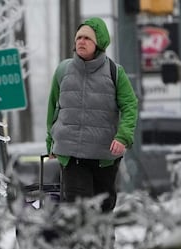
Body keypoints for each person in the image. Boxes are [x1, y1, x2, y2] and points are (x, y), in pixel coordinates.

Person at [46, 17, 138, 213]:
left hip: (104, 156)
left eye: (87, 38)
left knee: (102, 213)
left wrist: (123, 136)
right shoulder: (63, 70)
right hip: (71, 155)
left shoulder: (115, 73)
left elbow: (130, 106)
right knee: (79, 212)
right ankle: (81, 244)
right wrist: (51, 142)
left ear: (99, 43)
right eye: (78, 37)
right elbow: (53, 108)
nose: (81, 41)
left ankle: (104, 244)